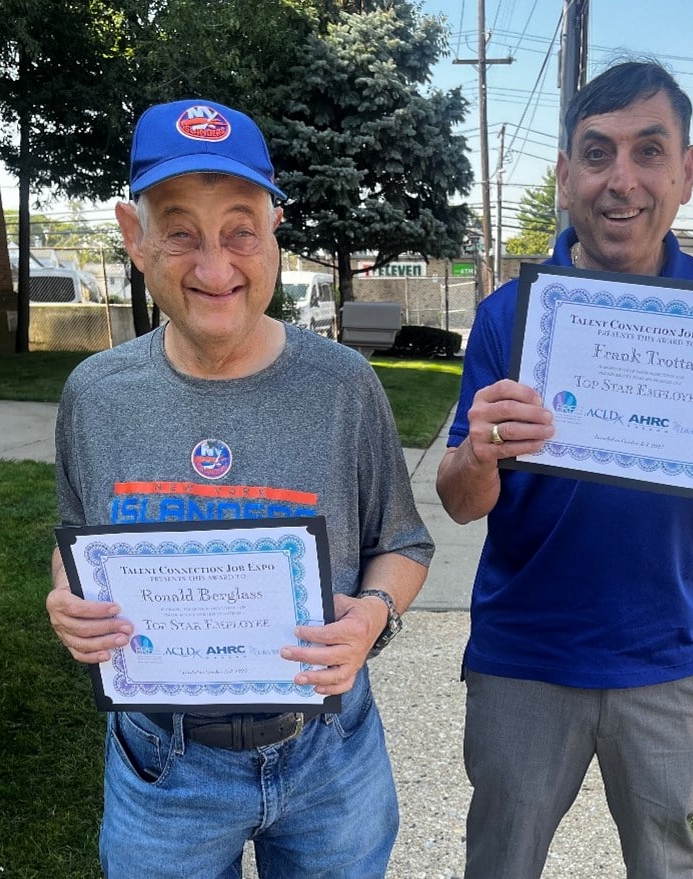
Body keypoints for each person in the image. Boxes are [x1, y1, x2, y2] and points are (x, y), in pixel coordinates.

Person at [436, 60, 693, 879]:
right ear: (566, 174)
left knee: (666, 865)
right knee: (500, 863)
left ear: (685, 172)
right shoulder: (510, 316)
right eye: (596, 152)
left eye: (648, 151)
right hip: (524, 657)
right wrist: (478, 451)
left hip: (666, 658)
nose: (622, 179)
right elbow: (461, 503)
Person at [45, 98, 434, 879]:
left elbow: (402, 541)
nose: (215, 267)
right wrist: (67, 602)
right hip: (164, 770)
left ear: (273, 230)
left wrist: (373, 615)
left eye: (239, 230)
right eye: (181, 230)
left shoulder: (342, 385)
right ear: (135, 237)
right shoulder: (97, 392)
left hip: (331, 759)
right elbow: (77, 538)